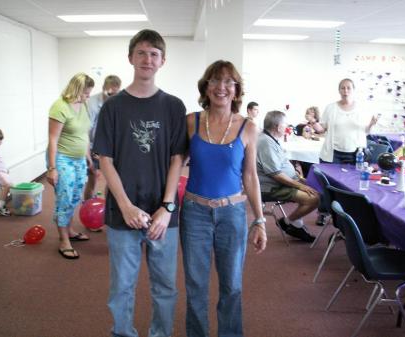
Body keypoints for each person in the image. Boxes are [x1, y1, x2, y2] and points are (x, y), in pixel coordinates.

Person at [93, 29, 187, 337]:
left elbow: (177, 159)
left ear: (163, 61)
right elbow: (105, 159)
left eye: (154, 54)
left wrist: (167, 207)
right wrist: (126, 206)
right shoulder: (113, 107)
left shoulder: (173, 106)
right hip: (123, 213)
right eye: (142, 53)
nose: (148, 59)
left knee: (166, 287)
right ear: (131, 57)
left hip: (163, 215)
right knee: (122, 286)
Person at [180, 60, 267, 337]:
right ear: (206, 87)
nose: (221, 87)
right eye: (215, 81)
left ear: (236, 89)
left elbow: (250, 177)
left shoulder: (248, 128)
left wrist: (260, 220)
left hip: (232, 214)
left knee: (232, 285)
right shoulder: (191, 122)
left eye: (228, 82)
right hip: (194, 213)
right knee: (196, 285)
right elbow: (173, 164)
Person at [47, 72, 95, 259]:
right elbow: (53, 139)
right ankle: (63, 240)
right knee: (64, 198)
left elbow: (82, 135)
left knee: (75, 197)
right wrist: (52, 168)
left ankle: (70, 230)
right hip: (62, 159)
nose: (88, 96)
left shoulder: (82, 105)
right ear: (76, 89)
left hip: (79, 159)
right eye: (85, 93)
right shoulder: (59, 107)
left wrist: (88, 157)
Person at [257, 110, 319, 243]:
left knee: (316, 188)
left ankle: (296, 225)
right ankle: (287, 222)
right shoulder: (266, 143)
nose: (287, 127)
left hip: (280, 184)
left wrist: (299, 179)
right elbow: (276, 174)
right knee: (314, 198)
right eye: (285, 125)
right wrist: (300, 185)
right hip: (272, 187)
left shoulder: (269, 139)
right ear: (278, 127)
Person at [319, 78, 378, 164]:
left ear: (353, 90)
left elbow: (366, 131)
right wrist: (313, 123)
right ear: (339, 90)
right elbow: (323, 128)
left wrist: (371, 124)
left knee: (351, 177)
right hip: (333, 153)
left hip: (354, 154)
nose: (345, 90)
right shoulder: (330, 108)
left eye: (348, 88)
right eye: (342, 88)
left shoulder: (362, 108)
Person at [84, 75, 122, 202]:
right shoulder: (92, 103)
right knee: (93, 176)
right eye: (109, 93)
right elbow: (86, 130)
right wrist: (92, 152)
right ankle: (88, 204)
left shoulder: (120, 101)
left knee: (113, 179)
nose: (112, 96)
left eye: (115, 93)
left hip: (113, 146)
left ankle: (109, 209)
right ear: (103, 88)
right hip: (93, 144)